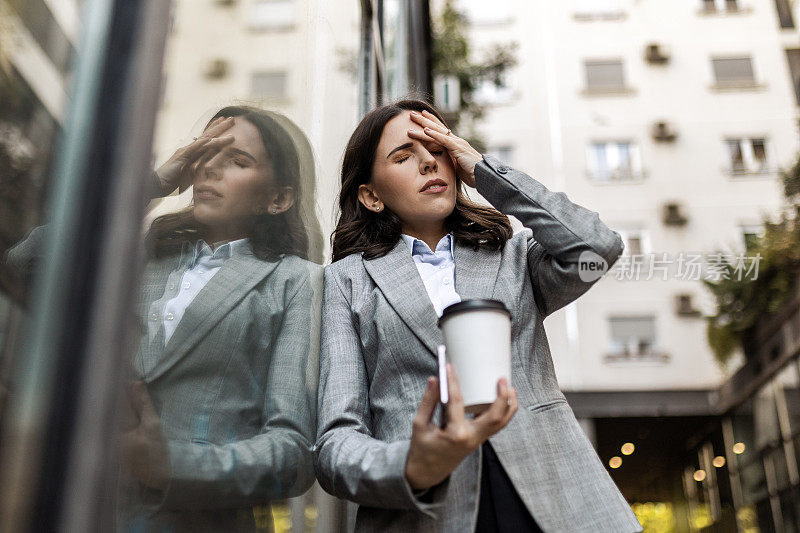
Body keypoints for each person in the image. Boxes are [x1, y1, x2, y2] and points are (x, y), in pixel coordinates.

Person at [314, 99, 643, 532]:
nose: (429, 162)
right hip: (429, 510)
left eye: (437, 148)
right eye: (404, 156)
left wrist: (483, 171)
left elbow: (597, 249)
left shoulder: (514, 257)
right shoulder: (346, 282)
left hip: (557, 500)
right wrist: (412, 464)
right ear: (371, 196)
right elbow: (335, 442)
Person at [6, 105, 322, 532]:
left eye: (237, 160)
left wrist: (169, 465)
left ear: (278, 198)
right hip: (78, 506)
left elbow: (293, 453)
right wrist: (153, 185)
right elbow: (24, 263)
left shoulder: (296, 281)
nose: (210, 168)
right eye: (205, 152)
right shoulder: (135, 252)